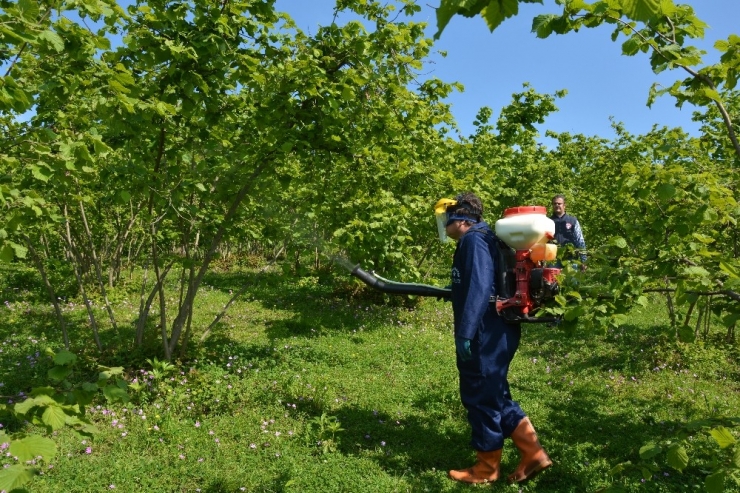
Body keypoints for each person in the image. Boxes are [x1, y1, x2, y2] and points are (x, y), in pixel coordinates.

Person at [437, 192, 552, 484]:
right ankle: (533, 453)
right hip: (497, 328)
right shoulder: (487, 237)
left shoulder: (473, 240)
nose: (443, 224)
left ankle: (486, 468)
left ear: (459, 217)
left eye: (445, 217)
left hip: (486, 330)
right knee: (495, 392)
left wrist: (465, 332)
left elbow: (478, 288)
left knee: (480, 394)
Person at [550, 194, 587, 270]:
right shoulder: (548, 222)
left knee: (572, 281)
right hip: (553, 260)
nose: (557, 205)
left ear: (564, 205)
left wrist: (584, 261)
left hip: (571, 259)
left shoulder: (573, 221)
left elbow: (580, 241)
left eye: (559, 203)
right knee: (553, 281)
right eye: (555, 204)